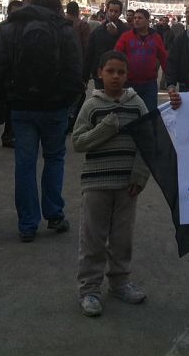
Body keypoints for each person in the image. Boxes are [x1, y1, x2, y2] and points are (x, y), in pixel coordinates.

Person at [0, 0, 83, 242]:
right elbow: (75, 70)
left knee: (25, 163)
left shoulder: (10, 28)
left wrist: (5, 98)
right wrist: (67, 101)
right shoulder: (64, 30)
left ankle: (27, 224)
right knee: (54, 159)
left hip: (21, 106)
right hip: (55, 107)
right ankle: (54, 214)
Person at [72, 50, 154, 316]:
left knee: (122, 238)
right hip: (96, 184)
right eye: (110, 71)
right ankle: (89, 289)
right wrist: (106, 128)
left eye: (121, 72)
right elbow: (78, 142)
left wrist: (140, 175)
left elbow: (148, 142)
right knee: (93, 239)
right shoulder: (91, 106)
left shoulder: (136, 104)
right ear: (100, 73)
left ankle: (119, 283)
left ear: (127, 75)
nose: (115, 76)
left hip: (126, 185)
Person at [0, 0, 24, 148]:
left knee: (11, 108)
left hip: (16, 74)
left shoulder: (24, 29)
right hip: (2, 73)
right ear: (8, 12)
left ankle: (8, 136)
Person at [115, 8, 167, 111]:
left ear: (147, 21)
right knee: (130, 114)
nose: (136, 20)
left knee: (149, 114)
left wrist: (170, 81)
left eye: (140, 18)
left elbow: (163, 58)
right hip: (129, 84)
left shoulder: (156, 38)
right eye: (135, 18)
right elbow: (116, 55)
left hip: (149, 84)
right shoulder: (126, 37)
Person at [85, 0, 127, 90]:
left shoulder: (126, 31)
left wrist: (116, 35)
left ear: (120, 13)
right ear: (107, 11)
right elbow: (90, 54)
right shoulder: (98, 31)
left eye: (116, 11)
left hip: (119, 74)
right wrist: (85, 76)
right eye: (111, 11)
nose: (113, 14)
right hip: (101, 75)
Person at [65, 1, 91, 131]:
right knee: (78, 94)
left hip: (61, 65)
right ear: (77, 11)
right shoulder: (82, 25)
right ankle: (70, 120)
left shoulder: (59, 22)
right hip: (77, 65)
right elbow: (87, 47)